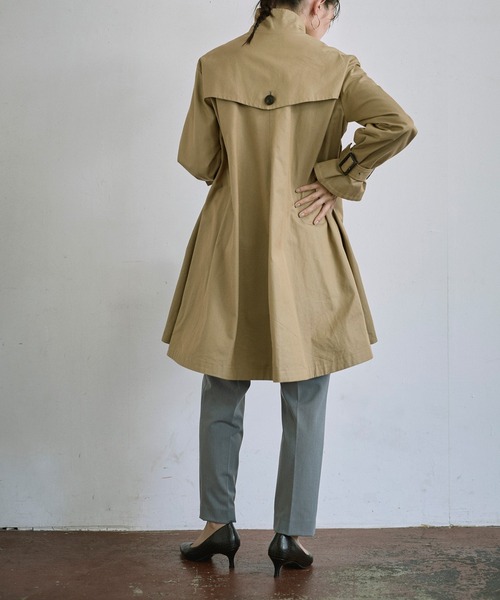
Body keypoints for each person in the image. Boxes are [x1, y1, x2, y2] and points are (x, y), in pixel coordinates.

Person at [162, 0, 417, 577]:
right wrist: (337, 176)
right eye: (330, 15)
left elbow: (199, 160)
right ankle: (291, 536)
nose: (326, 27)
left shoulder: (215, 63)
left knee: (221, 380)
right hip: (306, 236)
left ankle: (216, 525)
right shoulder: (337, 67)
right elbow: (398, 124)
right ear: (315, 6)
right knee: (306, 390)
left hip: (230, 238)